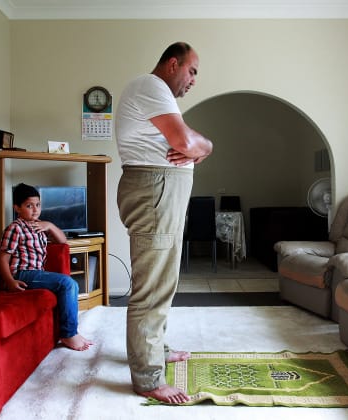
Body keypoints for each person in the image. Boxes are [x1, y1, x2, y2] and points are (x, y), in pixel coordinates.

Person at [115, 42, 214, 404]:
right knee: (152, 286)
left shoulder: (154, 93)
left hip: (159, 190)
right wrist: (206, 145)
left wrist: (200, 148)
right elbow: (185, 141)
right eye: (192, 71)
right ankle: (148, 378)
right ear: (173, 64)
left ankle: (154, 350)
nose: (193, 81)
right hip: (155, 190)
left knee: (163, 279)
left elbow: (190, 145)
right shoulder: (151, 86)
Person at [0, 183, 93, 351]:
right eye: (29, 206)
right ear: (17, 208)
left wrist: (49, 225)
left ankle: (71, 331)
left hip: (36, 273)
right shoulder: (15, 228)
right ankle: (68, 333)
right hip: (22, 273)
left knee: (67, 285)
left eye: (38, 205)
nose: (35, 209)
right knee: (68, 283)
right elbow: (2, 259)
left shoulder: (40, 226)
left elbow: (62, 241)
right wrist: (10, 282)